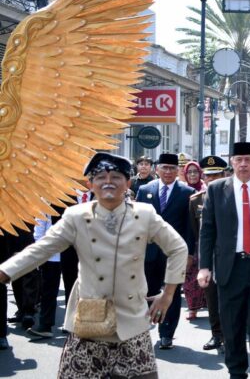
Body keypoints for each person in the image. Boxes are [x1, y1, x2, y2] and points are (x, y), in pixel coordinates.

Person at [0, 152, 187, 378]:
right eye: (100, 177)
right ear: (90, 184)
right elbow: (41, 249)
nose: (108, 182)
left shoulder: (145, 214)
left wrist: (167, 295)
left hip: (132, 319)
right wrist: (5, 271)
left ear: (128, 182)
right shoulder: (75, 216)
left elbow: (178, 248)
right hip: (88, 319)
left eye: (116, 176)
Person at [198, 142, 250, 379]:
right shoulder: (216, 189)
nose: (244, 164)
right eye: (239, 159)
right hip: (229, 267)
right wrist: (204, 266)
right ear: (232, 162)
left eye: (249, 159)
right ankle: (236, 371)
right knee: (231, 323)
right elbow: (207, 231)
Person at [138, 153, 195, 350]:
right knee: (146, 291)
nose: (168, 172)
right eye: (164, 168)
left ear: (178, 170)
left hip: (174, 254)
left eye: (172, 168)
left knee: (171, 293)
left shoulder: (187, 192)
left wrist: (189, 254)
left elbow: (189, 226)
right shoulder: (145, 190)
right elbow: (136, 223)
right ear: (157, 169)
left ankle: (167, 333)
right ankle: (142, 329)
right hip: (148, 252)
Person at [189, 155, 228, 353]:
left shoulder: (233, 196)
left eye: (217, 175)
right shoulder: (195, 200)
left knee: (229, 298)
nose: (212, 180)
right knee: (212, 297)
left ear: (224, 175)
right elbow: (196, 231)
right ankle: (217, 334)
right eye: (209, 176)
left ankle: (232, 334)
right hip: (208, 257)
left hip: (230, 255)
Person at [182, 161, 206, 321]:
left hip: (202, 238)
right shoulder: (182, 191)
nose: (192, 175)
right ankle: (192, 308)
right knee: (189, 277)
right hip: (186, 238)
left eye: (195, 172)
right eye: (189, 172)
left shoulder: (205, 191)